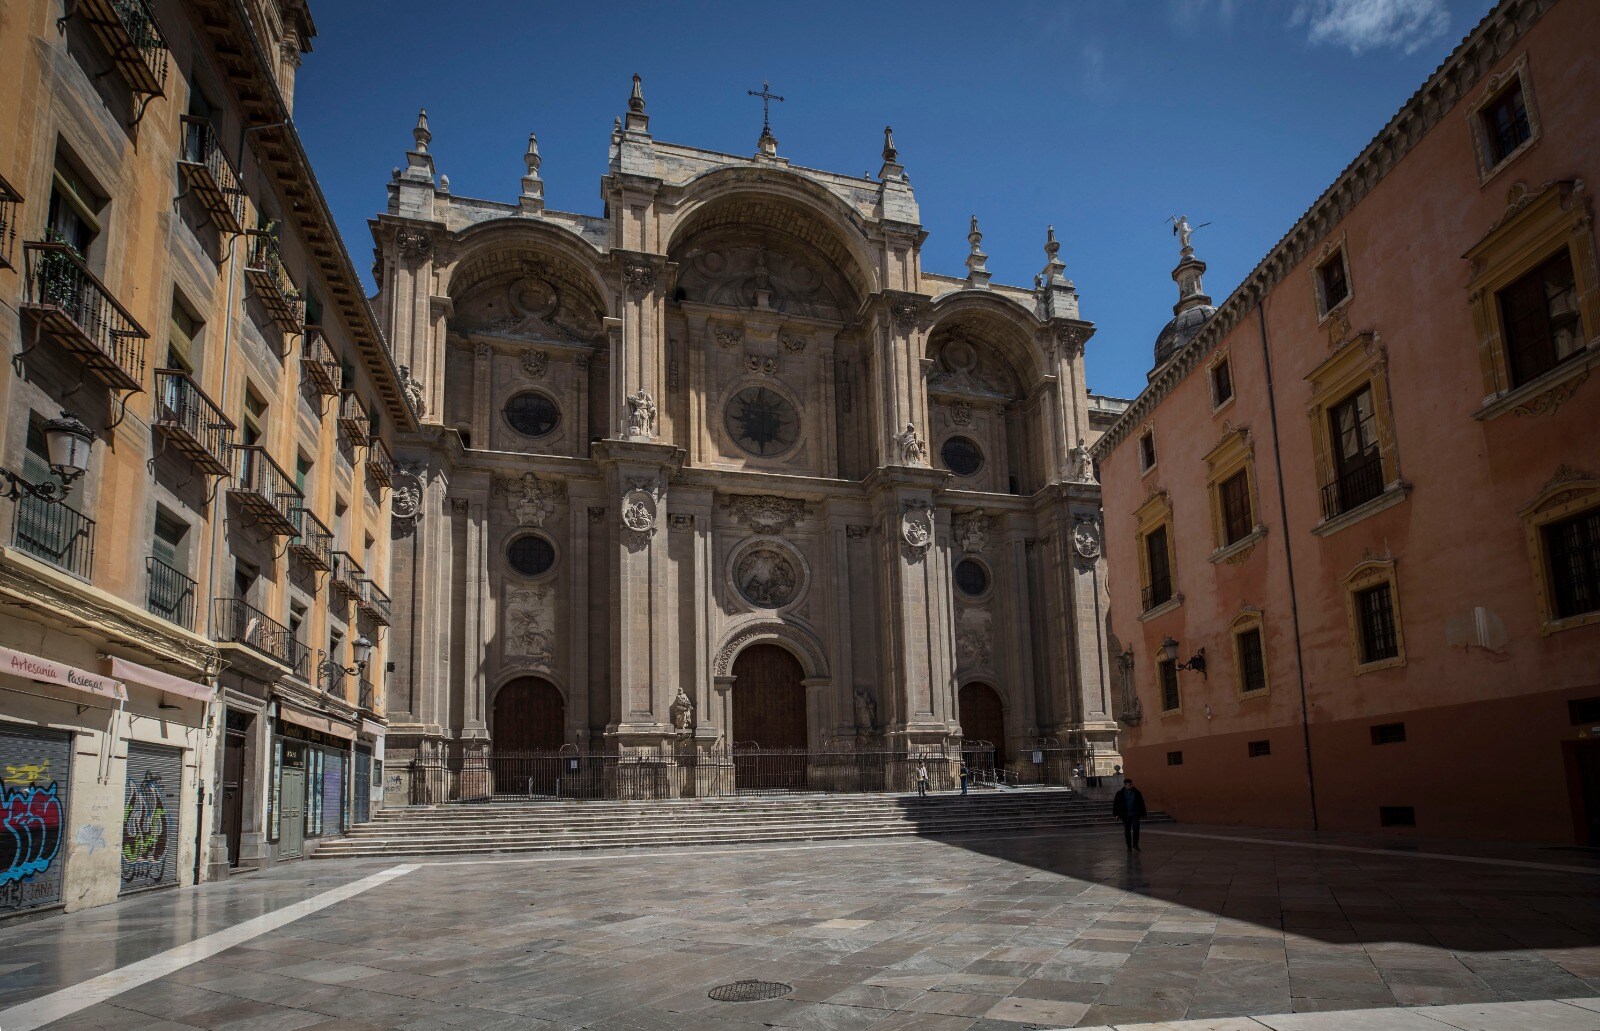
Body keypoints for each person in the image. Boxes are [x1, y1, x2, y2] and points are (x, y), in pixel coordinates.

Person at [1111, 777, 1147, 852]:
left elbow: (1141, 803)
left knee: (1136, 829)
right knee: (1127, 830)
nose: (1131, 786)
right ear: (1125, 785)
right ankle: (1129, 846)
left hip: (1135, 814)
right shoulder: (1120, 794)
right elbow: (1116, 804)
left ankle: (1135, 845)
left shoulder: (1137, 792)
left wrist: (1143, 813)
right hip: (1125, 815)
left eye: (1131, 784)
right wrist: (1116, 814)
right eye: (1129, 785)